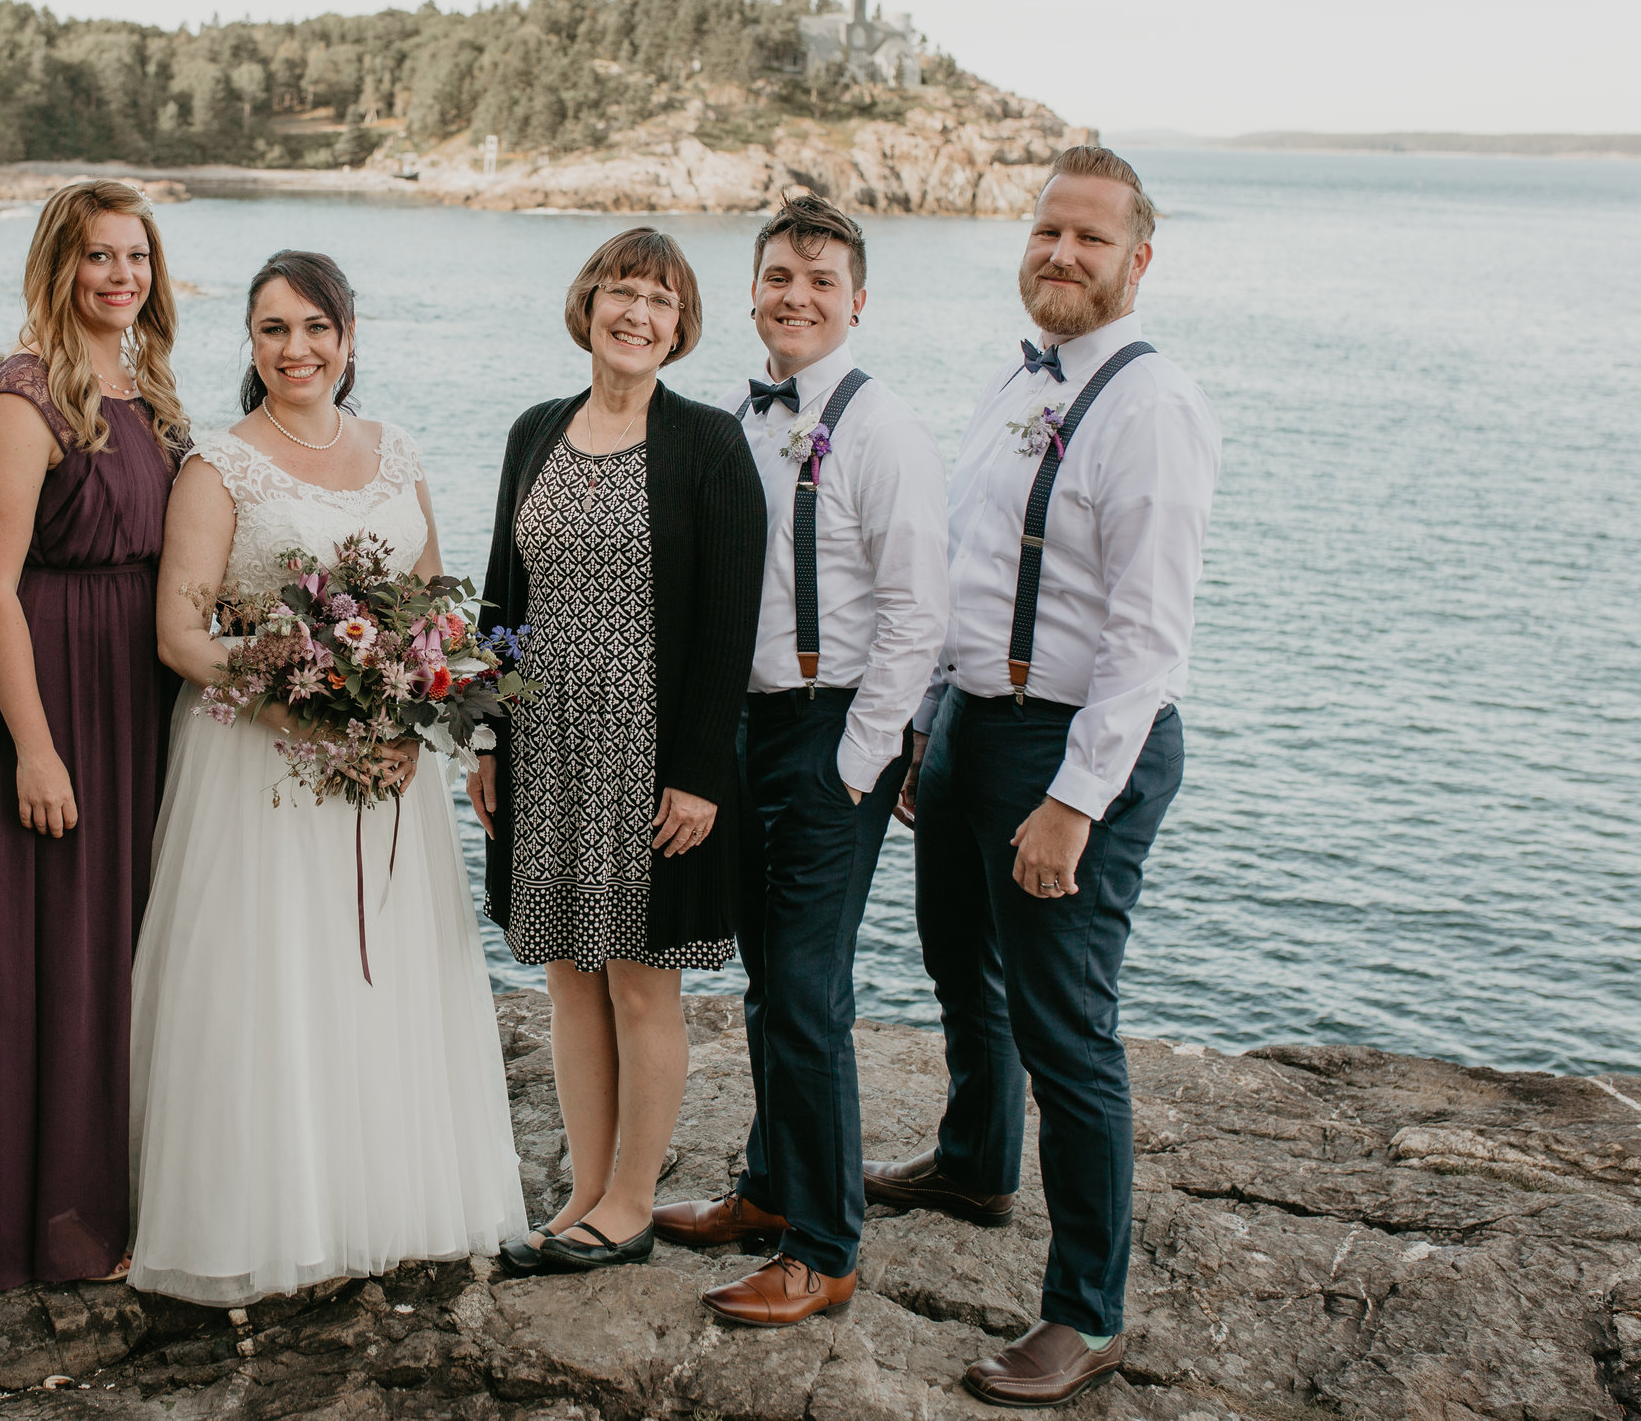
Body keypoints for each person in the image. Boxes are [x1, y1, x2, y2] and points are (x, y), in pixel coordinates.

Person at [875, 146, 1220, 1405]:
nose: (1060, 255)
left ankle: (1085, 1308)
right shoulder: (1010, 383)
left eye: (1088, 237)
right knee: (955, 959)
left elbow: (1148, 632)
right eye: (1045, 232)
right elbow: (964, 572)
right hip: (973, 722)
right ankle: (974, 1159)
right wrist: (925, 723)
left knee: (1066, 1025)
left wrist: (1075, 797)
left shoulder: (1151, 404)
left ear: (1137, 259)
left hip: (1076, 741)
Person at [130, 250, 525, 1306]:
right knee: (271, 983)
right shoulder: (219, 465)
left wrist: (409, 716)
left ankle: (383, 1204)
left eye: (315, 326)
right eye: (272, 330)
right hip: (257, 765)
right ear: (249, 346)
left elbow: (440, 613)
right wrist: (299, 701)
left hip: (390, 769)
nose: (295, 348)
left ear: (349, 338)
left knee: (382, 983)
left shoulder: (397, 451)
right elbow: (178, 630)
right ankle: (264, 1217)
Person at [652, 196, 949, 1323]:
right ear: (752, 291)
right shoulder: (729, 412)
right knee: (769, 979)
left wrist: (854, 764)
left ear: (857, 300)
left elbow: (921, 616)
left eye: (821, 280)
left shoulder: (884, 431)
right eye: (779, 275)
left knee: (810, 994)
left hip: (833, 733)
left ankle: (823, 1247)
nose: (796, 295)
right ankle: (770, 1188)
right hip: (741, 729)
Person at [471, 228, 765, 1274]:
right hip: (544, 746)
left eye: (661, 300)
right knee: (566, 974)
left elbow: (730, 623)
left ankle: (632, 1203)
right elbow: (502, 599)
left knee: (642, 980)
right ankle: (583, 1191)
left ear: (680, 327)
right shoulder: (534, 431)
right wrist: (487, 736)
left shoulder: (707, 444)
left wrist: (697, 772)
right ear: (587, 302)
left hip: (650, 759)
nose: (638, 313)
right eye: (622, 292)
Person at [0, 180, 189, 1290]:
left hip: (145, 695)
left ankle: (135, 1187)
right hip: (54, 693)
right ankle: (47, 1214)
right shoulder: (21, 397)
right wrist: (35, 748)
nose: (119, 274)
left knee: (134, 944)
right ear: (59, 265)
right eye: (97, 256)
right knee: (59, 954)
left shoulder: (149, 389)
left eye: (134, 255)